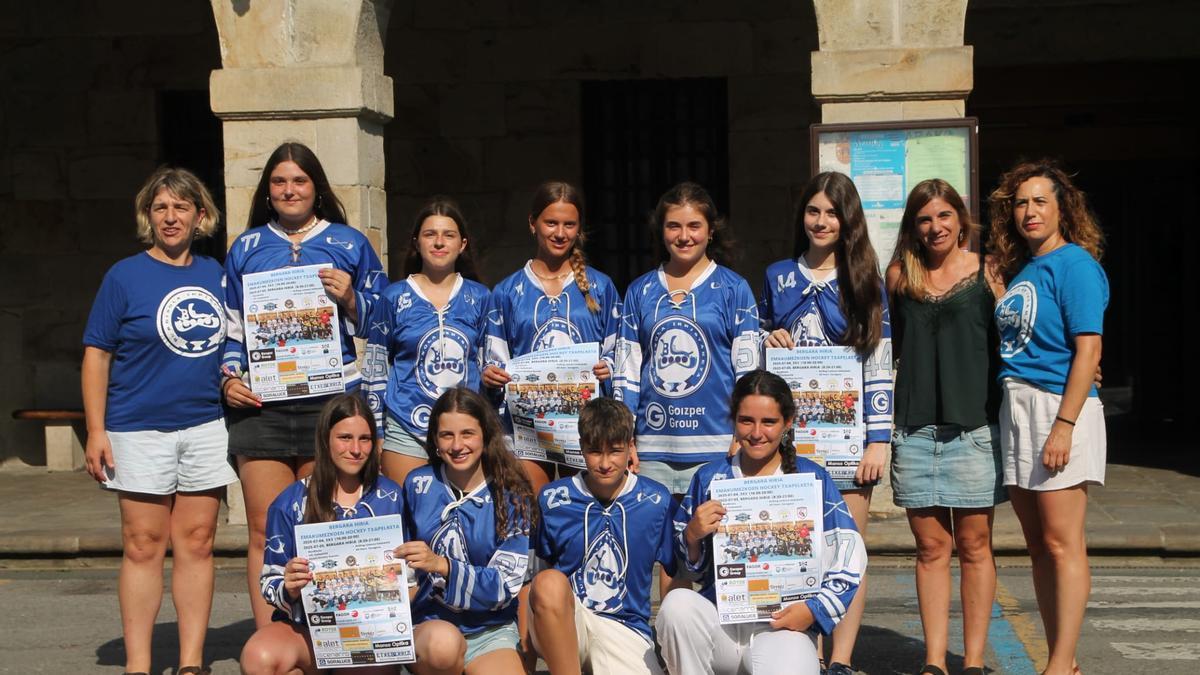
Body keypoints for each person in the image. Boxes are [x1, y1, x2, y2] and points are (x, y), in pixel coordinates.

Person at [221, 142, 389, 627]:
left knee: (323, 527)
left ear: (316, 188)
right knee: (262, 529)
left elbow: (382, 326)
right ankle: (272, 636)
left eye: (299, 180)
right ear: (267, 192)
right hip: (263, 404)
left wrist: (353, 298)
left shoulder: (349, 242)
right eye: (279, 181)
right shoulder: (246, 248)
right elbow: (232, 332)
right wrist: (230, 379)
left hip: (332, 402)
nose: (289, 189)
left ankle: (327, 638)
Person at [81, 166, 236, 675]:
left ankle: (192, 662)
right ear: (149, 216)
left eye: (181, 207)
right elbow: (97, 355)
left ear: (201, 215)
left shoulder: (217, 274)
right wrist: (96, 430)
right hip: (136, 426)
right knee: (144, 544)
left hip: (205, 426)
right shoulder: (124, 276)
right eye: (160, 208)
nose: (171, 217)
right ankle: (139, 665)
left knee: (196, 542)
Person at [759, 171, 891, 674]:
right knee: (800, 550)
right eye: (813, 211)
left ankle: (840, 659)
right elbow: (755, 356)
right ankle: (805, 653)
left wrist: (877, 441)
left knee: (846, 553)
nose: (821, 221)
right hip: (788, 443)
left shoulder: (865, 281)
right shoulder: (777, 276)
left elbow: (880, 365)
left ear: (848, 219)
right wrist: (768, 339)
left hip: (848, 440)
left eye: (832, 212)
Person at [655, 370, 865, 675]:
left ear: (788, 422)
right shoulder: (709, 478)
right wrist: (692, 537)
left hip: (783, 628)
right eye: (746, 421)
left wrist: (813, 610)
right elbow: (687, 570)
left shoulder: (813, 479)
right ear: (733, 421)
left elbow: (850, 553)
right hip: (722, 625)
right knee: (677, 606)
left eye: (768, 422)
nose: (756, 433)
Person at [989, 160, 1107, 675]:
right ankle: (1065, 658)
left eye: (1040, 201)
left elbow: (1088, 350)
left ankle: (1059, 664)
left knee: (1063, 542)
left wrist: (1064, 424)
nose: (1029, 211)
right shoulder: (1027, 270)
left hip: (1055, 407)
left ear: (1063, 208)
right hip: (1017, 406)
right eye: (1021, 202)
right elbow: (1023, 340)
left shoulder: (1074, 263)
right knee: (1038, 545)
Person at [614, 181, 761, 592]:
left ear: (711, 229)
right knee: (669, 555)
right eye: (674, 226)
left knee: (719, 551)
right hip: (655, 446)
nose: (684, 236)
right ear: (661, 231)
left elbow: (748, 373)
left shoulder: (734, 289)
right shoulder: (640, 291)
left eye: (694, 225)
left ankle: (719, 650)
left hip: (716, 444)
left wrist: (741, 433)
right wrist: (625, 437)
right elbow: (627, 371)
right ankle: (672, 650)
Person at [886, 179, 1007, 675]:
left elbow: (1020, 338)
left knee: (975, 546)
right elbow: (873, 344)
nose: (935, 227)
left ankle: (973, 661)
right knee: (931, 548)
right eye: (924, 219)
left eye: (943, 216)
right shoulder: (898, 275)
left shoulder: (989, 272)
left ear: (960, 218)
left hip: (974, 429)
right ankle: (934, 661)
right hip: (914, 430)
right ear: (913, 226)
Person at [239, 393, 402, 675]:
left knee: (361, 664)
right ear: (325, 438)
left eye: (364, 439)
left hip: (372, 629)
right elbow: (269, 580)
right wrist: (288, 586)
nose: (355, 449)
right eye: (345, 438)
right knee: (258, 657)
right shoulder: (289, 501)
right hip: (308, 630)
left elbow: (411, 577)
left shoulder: (393, 497)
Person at [481, 181, 621, 493]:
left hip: (584, 426)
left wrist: (607, 368)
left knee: (580, 511)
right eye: (551, 223)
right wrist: (491, 375)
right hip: (527, 427)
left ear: (579, 228)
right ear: (533, 224)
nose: (560, 233)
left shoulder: (601, 286)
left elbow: (618, 352)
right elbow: (494, 356)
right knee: (533, 514)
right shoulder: (507, 291)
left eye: (569, 224)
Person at [527, 398, 677, 675]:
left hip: (626, 627)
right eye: (595, 451)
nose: (605, 463)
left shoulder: (657, 500)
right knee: (547, 582)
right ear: (581, 446)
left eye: (615, 451)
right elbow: (531, 583)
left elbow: (674, 570)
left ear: (631, 446)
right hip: (567, 620)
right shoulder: (552, 499)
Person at [398, 387, 535, 674]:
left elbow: (506, 584)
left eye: (467, 434)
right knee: (443, 647)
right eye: (447, 435)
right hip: (430, 625)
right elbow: (400, 565)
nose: (457, 445)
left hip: (490, 629)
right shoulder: (417, 483)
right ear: (434, 439)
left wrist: (443, 566)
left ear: (485, 434)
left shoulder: (512, 492)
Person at [365, 197, 489, 485]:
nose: (439, 242)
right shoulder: (393, 297)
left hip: (465, 428)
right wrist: (377, 431)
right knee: (408, 519)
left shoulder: (481, 298)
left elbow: (489, 366)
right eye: (430, 234)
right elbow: (375, 368)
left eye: (449, 235)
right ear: (416, 243)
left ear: (463, 244)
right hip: (406, 425)